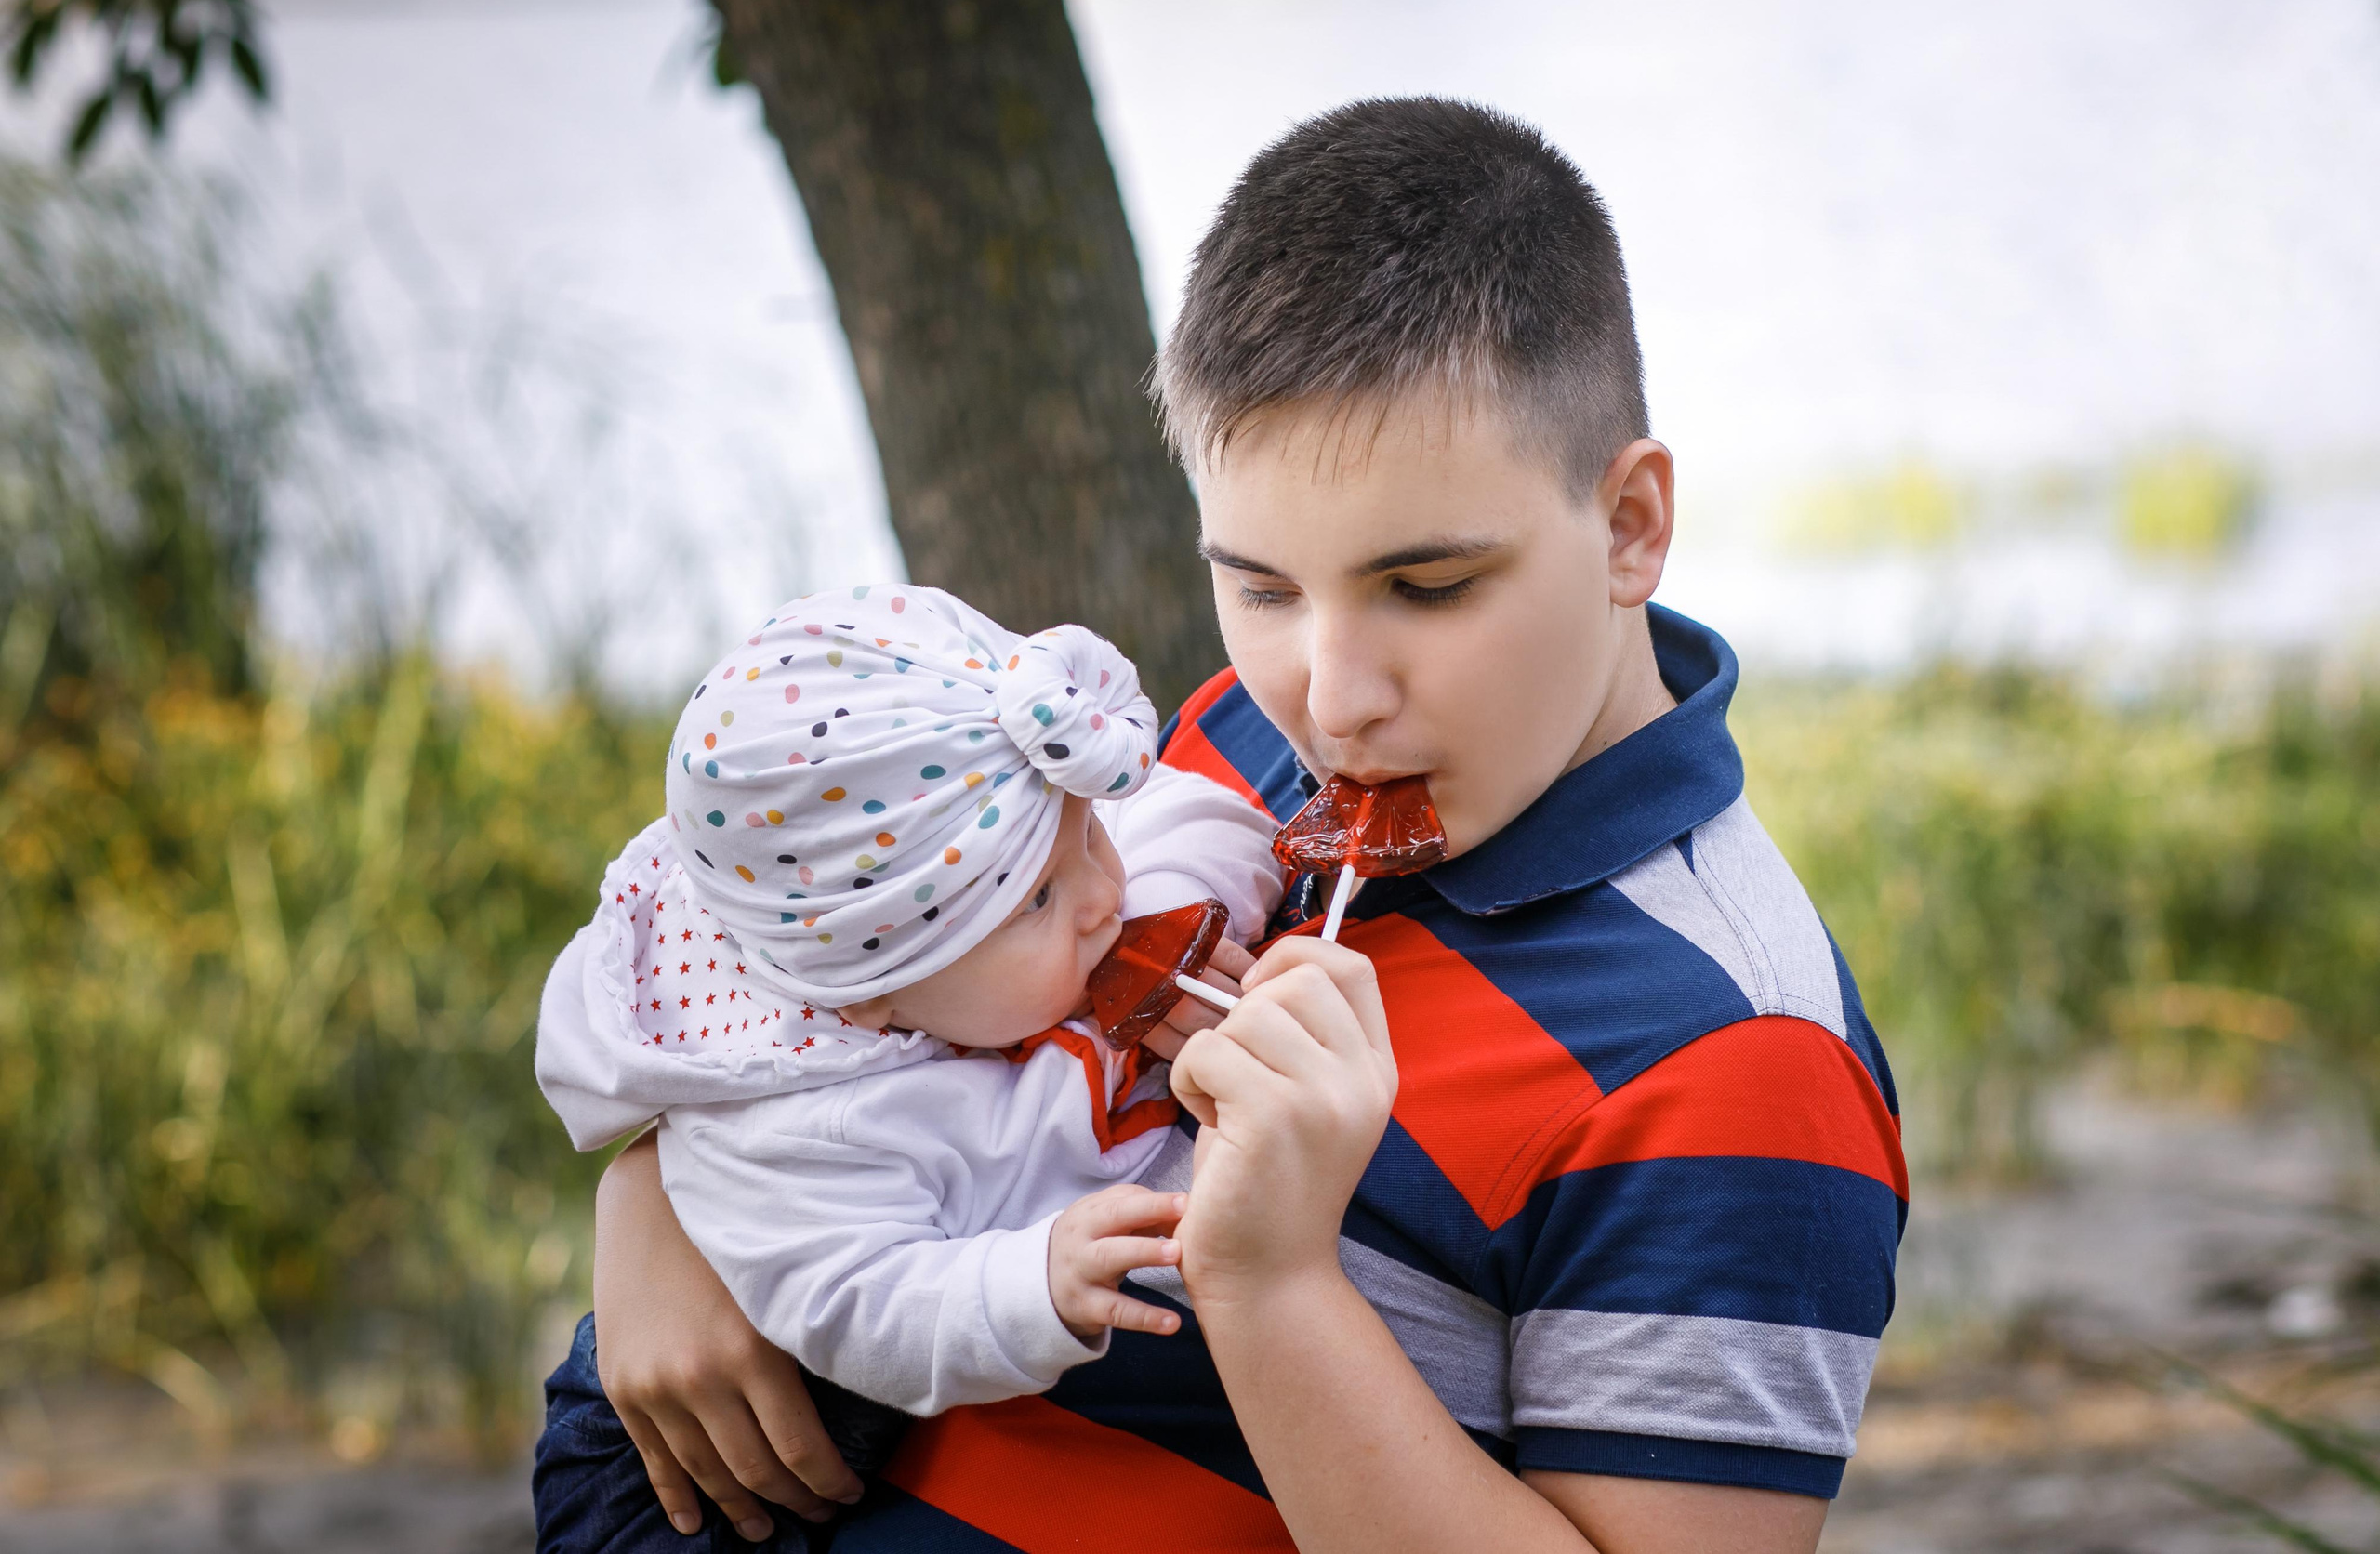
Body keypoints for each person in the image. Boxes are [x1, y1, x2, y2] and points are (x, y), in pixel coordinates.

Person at [578, 98, 1907, 1554]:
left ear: (1633, 524)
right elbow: (860, 961)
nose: (1330, 699)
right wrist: (667, 1191)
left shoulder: (1739, 1059)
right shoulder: (1238, 748)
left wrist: (1273, 1283)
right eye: (1263, 586)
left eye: (1427, 586)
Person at [530, 587, 1286, 1547]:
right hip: (678, 1490)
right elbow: (862, 1307)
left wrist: (1172, 912)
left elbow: (1195, 813)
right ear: (869, 996)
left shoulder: (1017, 843)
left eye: (1090, 833)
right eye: (1039, 902)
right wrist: (1029, 1282)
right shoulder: (799, 1129)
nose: (1104, 893)